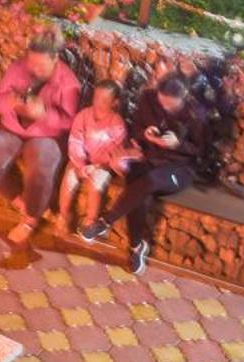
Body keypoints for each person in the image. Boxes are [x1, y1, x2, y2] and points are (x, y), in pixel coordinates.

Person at [79, 73, 212, 275]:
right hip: (149, 158)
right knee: (136, 182)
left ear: (184, 97)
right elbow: (135, 129)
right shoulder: (148, 99)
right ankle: (136, 247)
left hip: (179, 168)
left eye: (171, 106)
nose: (165, 108)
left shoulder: (196, 113)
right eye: (163, 103)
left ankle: (105, 221)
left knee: (150, 180)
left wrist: (178, 144)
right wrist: (146, 134)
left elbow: (200, 151)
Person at [0, 32, 81, 247]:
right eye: (31, 62)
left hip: (46, 134)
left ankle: (30, 219)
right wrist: (10, 101)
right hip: (12, 127)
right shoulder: (18, 68)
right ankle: (22, 204)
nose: (35, 68)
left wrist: (44, 113)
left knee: (40, 167)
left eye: (41, 64)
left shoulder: (69, 83)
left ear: (55, 59)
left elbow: (70, 123)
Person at [58, 79, 138, 236]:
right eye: (96, 98)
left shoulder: (117, 124)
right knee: (69, 177)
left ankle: (91, 221)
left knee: (97, 182)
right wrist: (80, 164)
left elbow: (116, 152)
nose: (98, 103)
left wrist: (96, 166)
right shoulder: (83, 116)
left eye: (104, 100)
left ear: (114, 102)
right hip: (81, 161)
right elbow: (75, 141)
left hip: (103, 165)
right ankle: (64, 214)